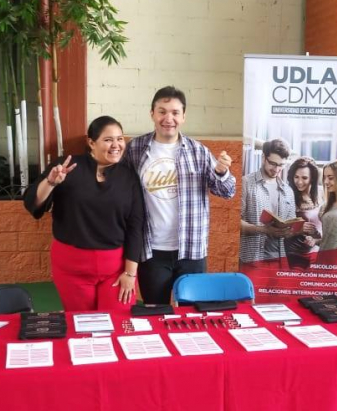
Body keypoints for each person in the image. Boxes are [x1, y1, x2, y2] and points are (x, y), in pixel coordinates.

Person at [123, 86, 236, 304]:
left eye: (175, 112)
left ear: (183, 116)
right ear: (152, 114)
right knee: (156, 310)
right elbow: (121, 189)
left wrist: (222, 172)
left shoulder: (198, 151)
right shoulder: (135, 149)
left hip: (191, 249)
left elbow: (227, 191)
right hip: (151, 251)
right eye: (162, 111)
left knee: (192, 312)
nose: (168, 118)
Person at [23, 116, 144, 312]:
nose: (116, 145)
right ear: (91, 142)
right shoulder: (67, 166)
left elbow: (136, 226)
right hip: (72, 268)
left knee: (119, 322)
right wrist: (51, 183)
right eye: (108, 140)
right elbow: (33, 204)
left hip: (115, 268)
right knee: (82, 325)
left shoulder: (128, 176)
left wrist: (130, 274)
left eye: (120, 139)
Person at [239, 138, 296, 267]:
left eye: (281, 165)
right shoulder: (246, 183)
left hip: (279, 260)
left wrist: (294, 230)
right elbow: (236, 223)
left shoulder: (288, 191)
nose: (277, 169)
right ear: (263, 158)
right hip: (252, 260)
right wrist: (264, 230)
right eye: (273, 164)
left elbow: (291, 225)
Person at [284, 157, 322, 269]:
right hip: (295, 255)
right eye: (296, 177)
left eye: (304, 178)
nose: (299, 182)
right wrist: (298, 230)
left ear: (312, 179)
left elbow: (328, 227)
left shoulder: (322, 193)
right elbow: (280, 232)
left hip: (318, 250)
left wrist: (316, 239)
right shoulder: (288, 197)